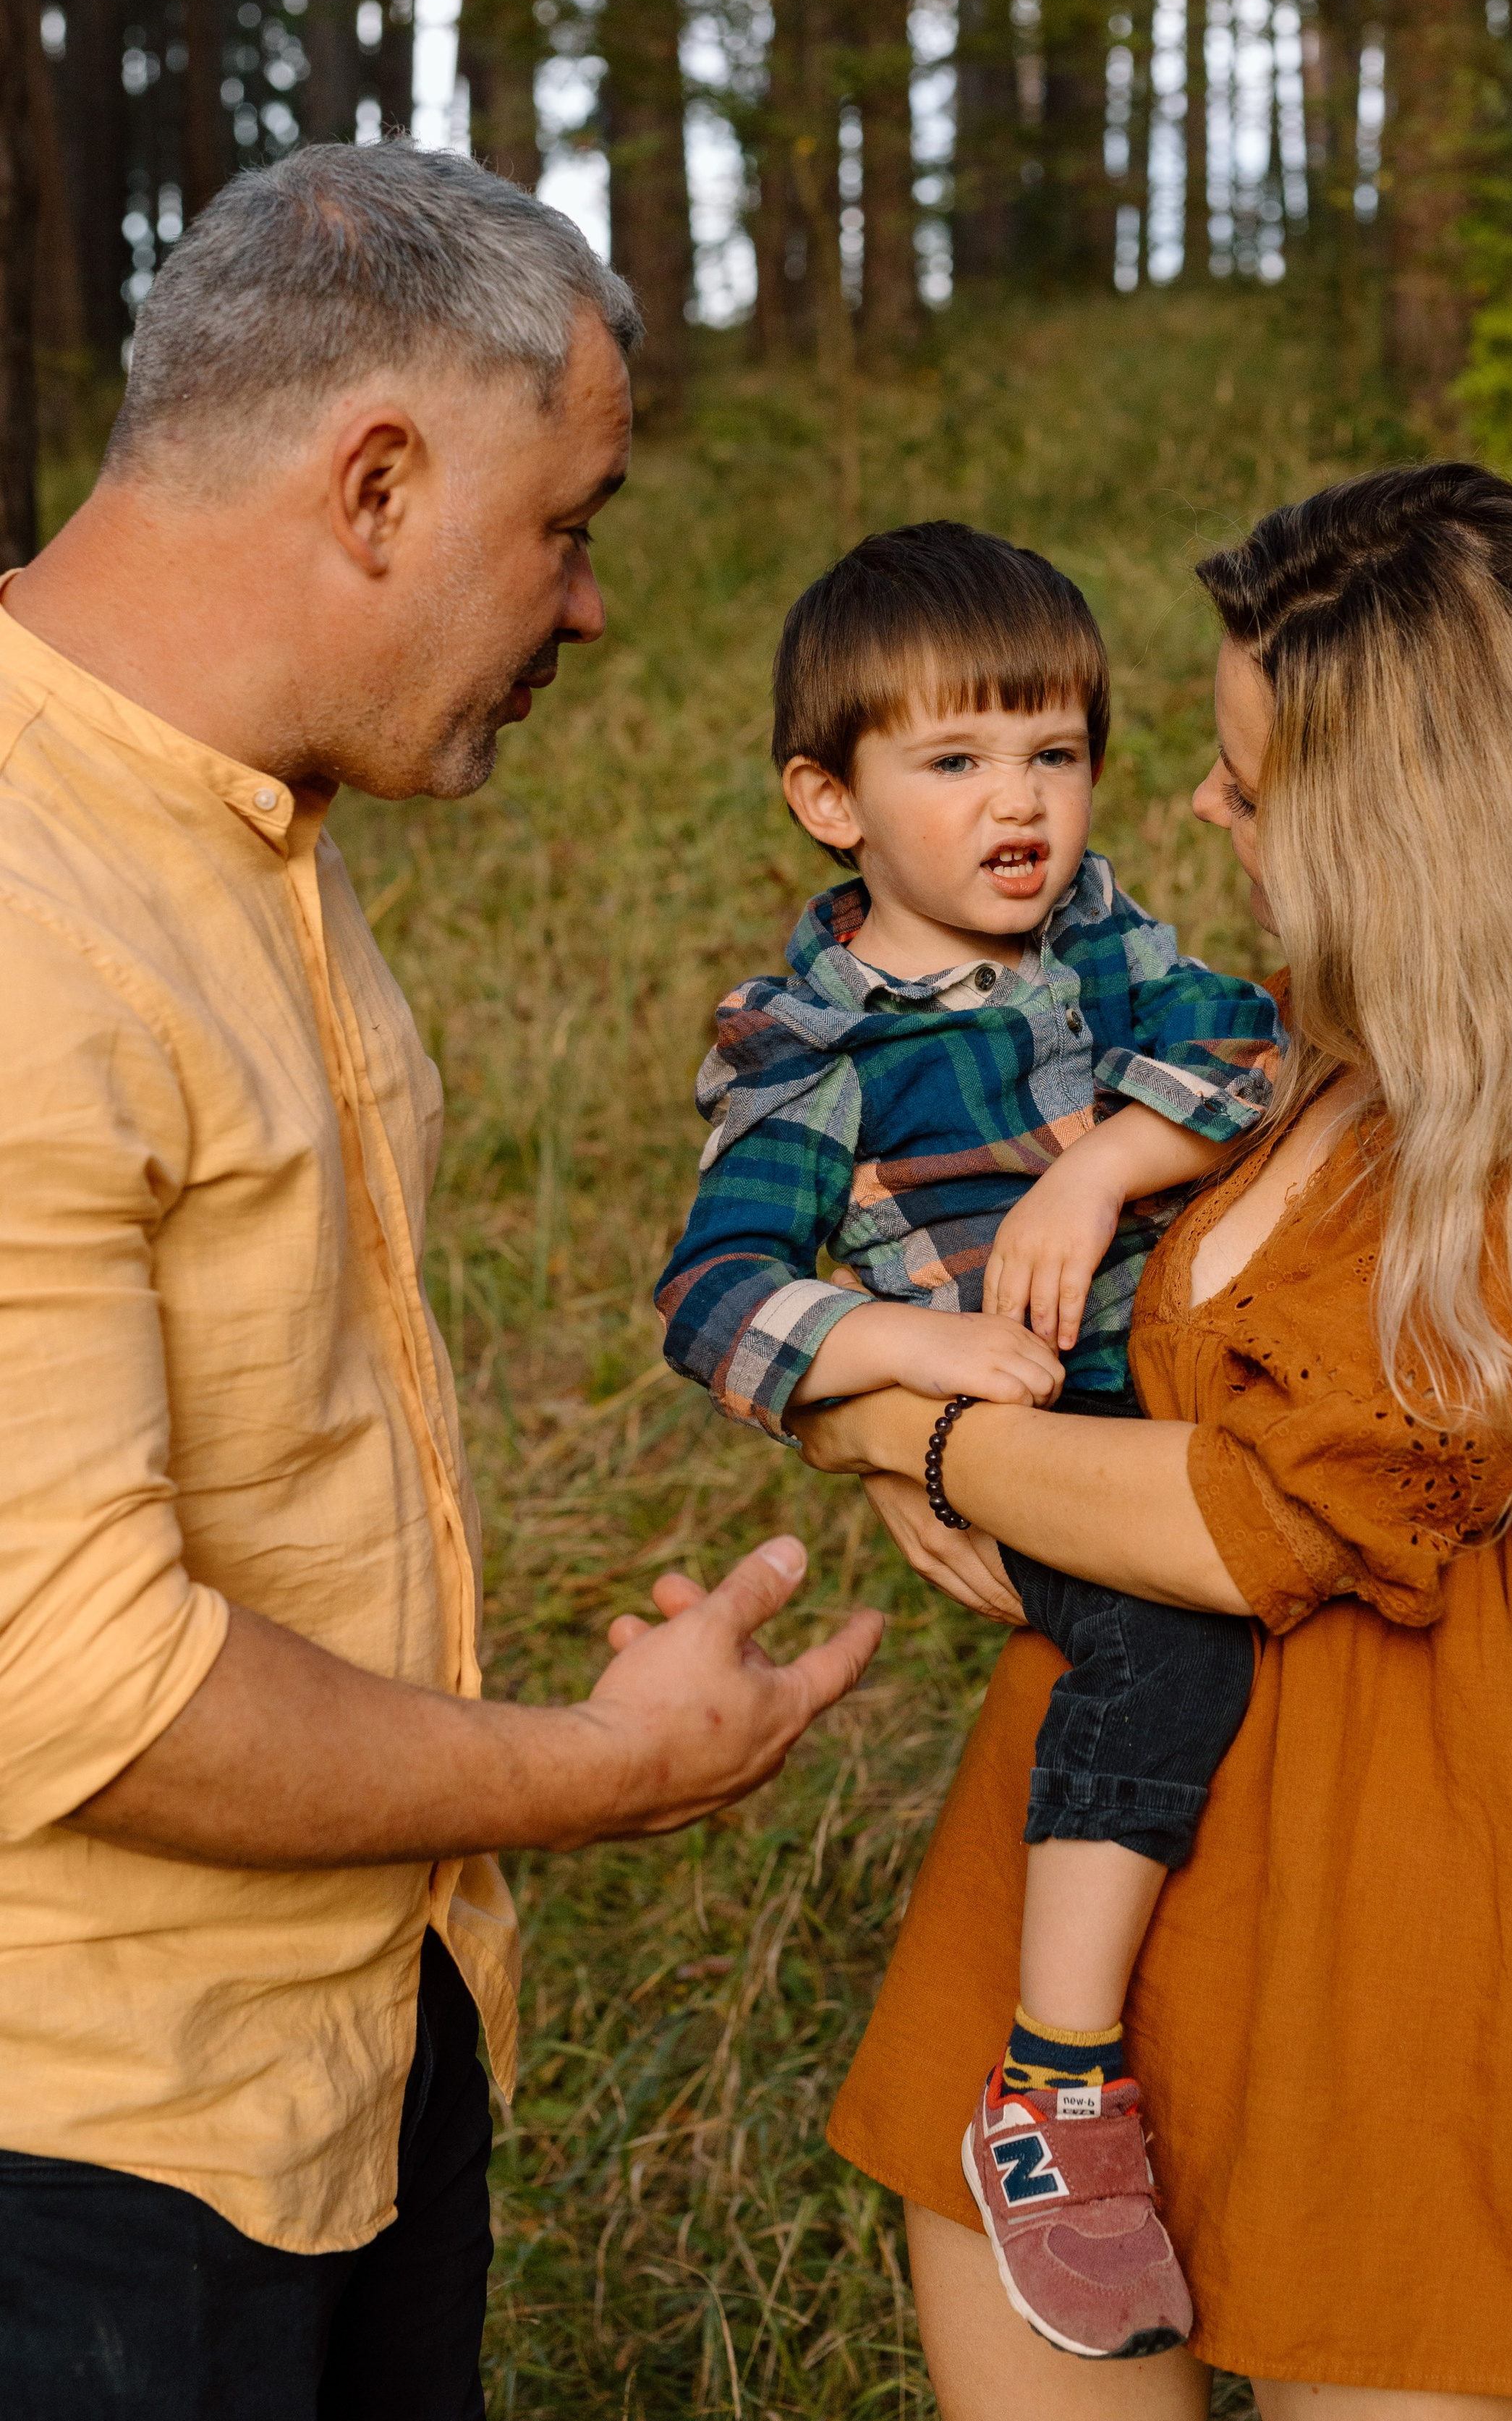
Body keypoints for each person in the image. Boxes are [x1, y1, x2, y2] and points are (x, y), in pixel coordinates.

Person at [795, 464, 1512, 2421]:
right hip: (1073, 1942)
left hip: (1407, 1985)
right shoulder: (1282, 1053)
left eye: (1250, 783)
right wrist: (877, 1386)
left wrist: (891, 1424)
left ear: (1409, 833)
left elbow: (1256, 1520)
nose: (1203, 809)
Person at [0, 140, 882, 2421]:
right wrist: (602, 1771)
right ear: (376, 482)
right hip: (82, 2162)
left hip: (361, 2051)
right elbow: (77, 1684)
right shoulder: (25, 903)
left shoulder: (235, 813)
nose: (588, 607)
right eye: (566, 526)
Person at [660, 522, 1281, 2357]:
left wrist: (1099, 1164)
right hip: (1050, 1455)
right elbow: (717, 1295)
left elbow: (1243, 1049)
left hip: (1182, 1394)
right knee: (1165, 1649)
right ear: (826, 800)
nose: (1018, 803)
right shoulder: (810, 1055)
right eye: (951, 762)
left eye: (1053, 753)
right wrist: (898, 1359)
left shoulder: (1105, 942)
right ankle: (1055, 2087)